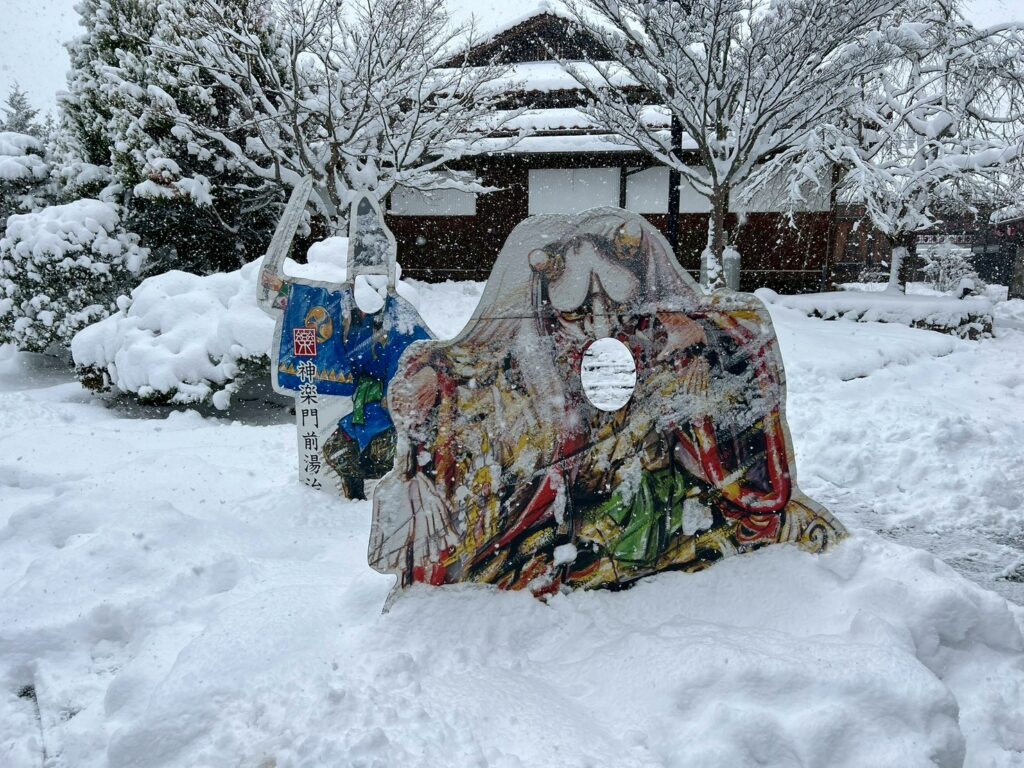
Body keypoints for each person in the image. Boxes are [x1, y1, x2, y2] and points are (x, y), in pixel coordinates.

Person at [370, 209, 844, 593]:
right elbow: (476, 363)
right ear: (550, 307)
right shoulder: (534, 347)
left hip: (651, 489)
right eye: (577, 313)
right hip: (565, 501)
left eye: (615, 308)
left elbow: (742, 341)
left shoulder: (663, 328)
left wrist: (705, 338)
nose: (598, 326)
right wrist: (431, 378)